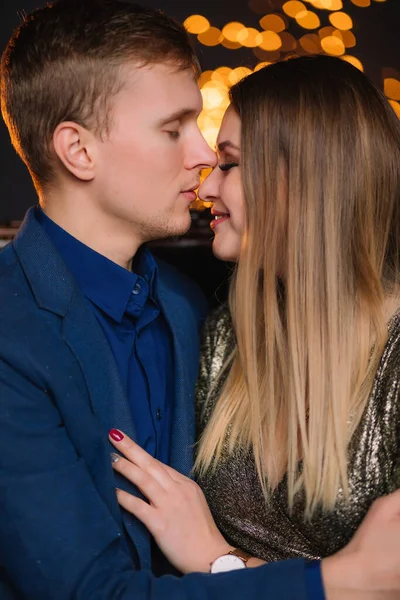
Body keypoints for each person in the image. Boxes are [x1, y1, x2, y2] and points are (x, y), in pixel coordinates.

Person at [0, 0, 399, 595]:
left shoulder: (192, 308)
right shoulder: (15, 327)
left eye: (221, 150)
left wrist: (219, 558)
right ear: (79, 151)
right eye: (173, 129)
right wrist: (338, 582)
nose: (203, 156)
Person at [106, 55, 400, 598]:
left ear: (305, 181)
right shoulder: (222, 336)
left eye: (230, 164)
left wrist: (216, 558)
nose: (205, 187)